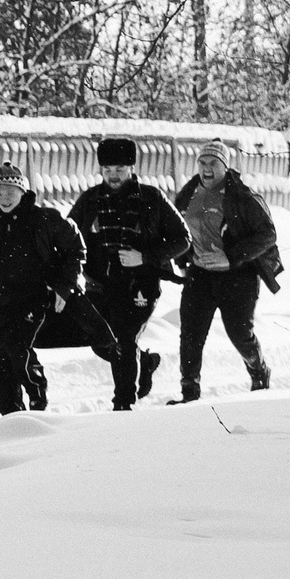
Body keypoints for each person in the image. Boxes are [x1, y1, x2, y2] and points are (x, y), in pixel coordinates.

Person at [0, 160, 85, 415]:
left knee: (17, 350)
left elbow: (75, 250)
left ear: (22, 191)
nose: (4, 198)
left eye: (10, 192)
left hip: (33, 298)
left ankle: (37, 401)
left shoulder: (43, 220)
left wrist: (64, 287)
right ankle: (12, 418)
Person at [65, 139, 187, 410]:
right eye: (107, 169)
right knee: (102, 341)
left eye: (120, 168)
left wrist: (145, 257)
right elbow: (68, 236)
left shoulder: (151, 198)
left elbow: (182, 238)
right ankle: (144, 363)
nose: (113, 175)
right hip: (99, 285)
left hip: (139, 284)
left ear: (132, 168)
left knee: (125, 339)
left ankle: (124, 404)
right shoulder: (90, 200)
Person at [169, 138, 282, 402]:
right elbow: (176, 229)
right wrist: (183, 261)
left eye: (213, 163)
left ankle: (258, 370)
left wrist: (230, 257)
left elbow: (268, 234)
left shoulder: (241, 197)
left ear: (225, 166)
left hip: (237, 275)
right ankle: (189, 392)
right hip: (199, 274)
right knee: (191, 335)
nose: (207, 168)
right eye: (202, 162)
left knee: (239, 333)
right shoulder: (188, 193)